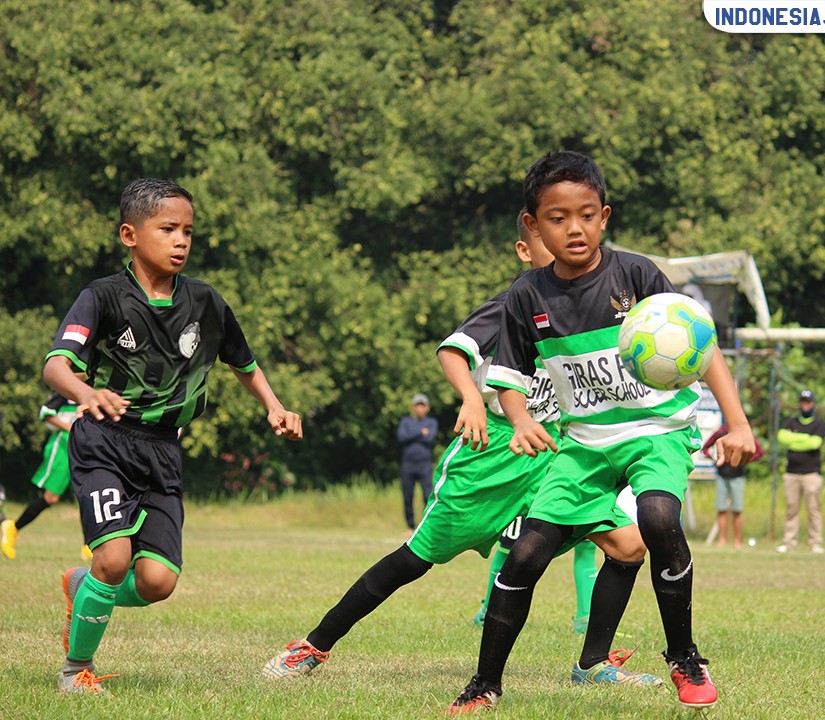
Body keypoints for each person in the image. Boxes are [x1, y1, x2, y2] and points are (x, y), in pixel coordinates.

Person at [263, 209, 657, 690]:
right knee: (415, 558)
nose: (565, 243)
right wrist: (471, 398)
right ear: (525, 249)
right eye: (549, 234)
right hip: (491, 453)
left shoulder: (588, 301)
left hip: (552, 451)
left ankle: (592, 664)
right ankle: (313, 645)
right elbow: (453, 350)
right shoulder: (515, 301)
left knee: (628, 545)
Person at [447, 151, 756, 714]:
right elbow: (508, 377)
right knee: (525, 555)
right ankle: (485, 684)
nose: (575, 228)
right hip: (585, 444)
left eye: (587, 215)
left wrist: (737, 422)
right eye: (558, 218)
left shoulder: (636, 275)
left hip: (657, 430)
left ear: (604, 216)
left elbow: (702, 346)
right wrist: (521, 421)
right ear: (534, 226)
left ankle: (684, 658)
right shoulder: (527, 295)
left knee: (657, 519)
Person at [42, 178, 303, 695]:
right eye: (167, 229)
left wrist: (275, 406)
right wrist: (86, 393)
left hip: (163, 450)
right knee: (113, 559)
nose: (181, 240)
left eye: (188, 231)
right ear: (130, 235)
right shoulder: (102, 296)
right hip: (104, 440)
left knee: (157, 582)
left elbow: (244, 364)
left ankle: (82, 588)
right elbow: (55, 366)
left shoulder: (206, 302)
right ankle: (75, 671)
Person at [1, 392, 92, 560]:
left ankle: (89, 546)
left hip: (83, 446)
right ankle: (13, 528)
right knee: (51, 498)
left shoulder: (92, 387)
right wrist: (70, 428)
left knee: (86, 495)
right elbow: (45, 413)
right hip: (62, 446)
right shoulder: (64, 392)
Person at [776, 390, 825, 554]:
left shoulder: (819, 424)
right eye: (803, 402)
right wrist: (805, 438)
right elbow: (782, 437)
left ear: (813, 403)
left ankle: (816, 542)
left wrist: (795, 439)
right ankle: (789, 541)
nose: (805, 405)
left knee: (813, 509)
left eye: (808, 402)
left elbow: (815, 443)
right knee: (791, 509)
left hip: (811, 474)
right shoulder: (791, 421)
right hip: (791, 473)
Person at [702, 423, 763, 549]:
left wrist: (746, 460)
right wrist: (714, 458)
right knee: (721, 509)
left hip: (738, 476)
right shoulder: (721, 432)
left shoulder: (743, 433)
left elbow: (759, 451)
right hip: (722, 475)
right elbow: (705, 448)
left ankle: (737, 542)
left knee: (737, 509)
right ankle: (722, 541)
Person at [396, 393, 438, 530]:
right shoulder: (405, 421)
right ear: (413, 407)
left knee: (427, 495)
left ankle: (427, 526)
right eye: (417, 406)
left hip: (424, 465)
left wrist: (412, 434)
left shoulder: (431, 422)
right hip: (407, 465)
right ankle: (410, 527)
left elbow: (430, 438)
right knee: (408, 496)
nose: (420, 408)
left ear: (427, 408)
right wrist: (420, 433)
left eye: (422, 405)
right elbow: (401, 437)